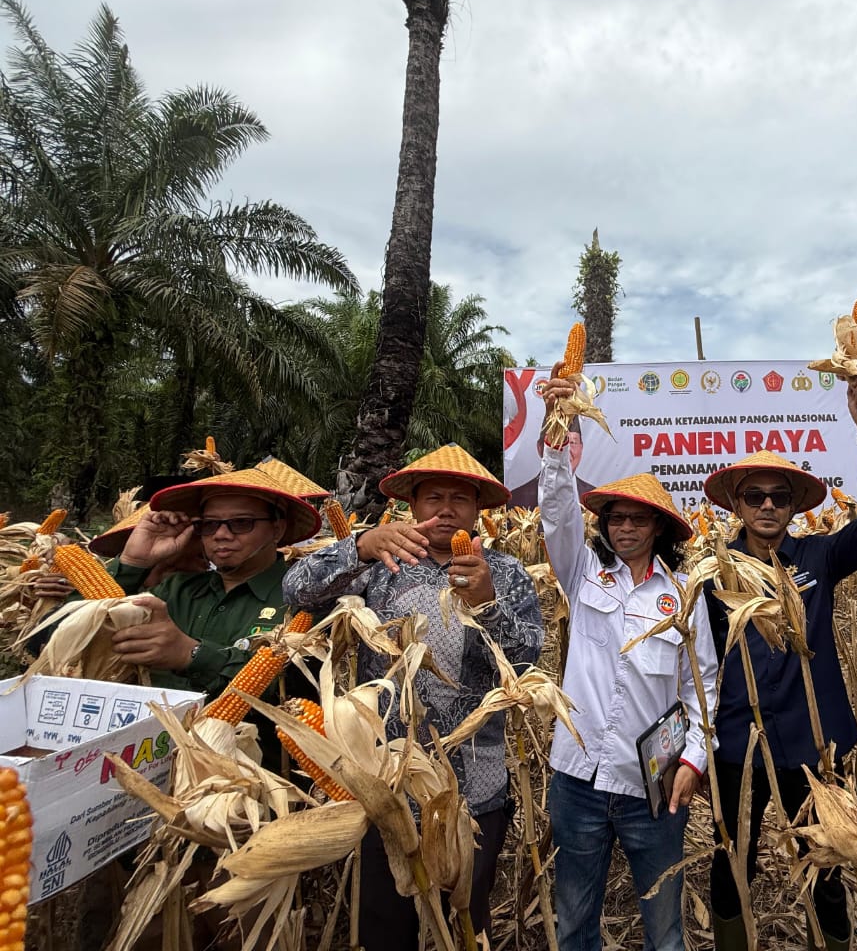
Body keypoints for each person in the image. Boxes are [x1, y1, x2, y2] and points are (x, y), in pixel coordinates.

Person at [283, 444, 544, 945]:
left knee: (464, 924)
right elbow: (296, 590)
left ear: (477, 509)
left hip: (474, 783)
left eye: (459, 499)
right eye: (433, 498)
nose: (446, 510)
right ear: (413, 505)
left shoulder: (506, 573)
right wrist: (359, 546)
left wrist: (488, 604)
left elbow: (526, 662)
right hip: (388, 782)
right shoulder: (381, 561)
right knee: (387, 925)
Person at [701, 375, 857, 951]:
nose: (767, 506)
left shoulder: (819, 555)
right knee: (731, 859)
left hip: (813, 741)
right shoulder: (713, 572)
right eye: (755, 497)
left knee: (826, 861)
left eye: (779, 497)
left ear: (793, 507)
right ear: (737, 505)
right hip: (737, 741)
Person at [538, 362, 718, 951]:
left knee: (665, 929)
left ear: (659, 527)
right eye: (616, 518)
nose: (624, 528)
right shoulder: (583, 572)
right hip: (578, 778)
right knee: (574, 921)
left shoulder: (684, 595)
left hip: (653, 787)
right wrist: (557, 436)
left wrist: (694, 759)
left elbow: (701, 687)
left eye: (638, 519)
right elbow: (557, 513)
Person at [110, 467, 320, 693]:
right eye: (209, 524)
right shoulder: (175, 590)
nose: (221, 534)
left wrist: (192, 655)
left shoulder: (306, 598)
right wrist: (133, 562)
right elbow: (87, 631)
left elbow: (297, 685)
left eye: (241, 522)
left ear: (277, 529)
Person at [507, 414, 593, 508]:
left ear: (581, 447)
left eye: (573, 442)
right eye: (557, 442)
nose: (566, 450)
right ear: (540, 448)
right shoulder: (515, 501)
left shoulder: (595, 499)